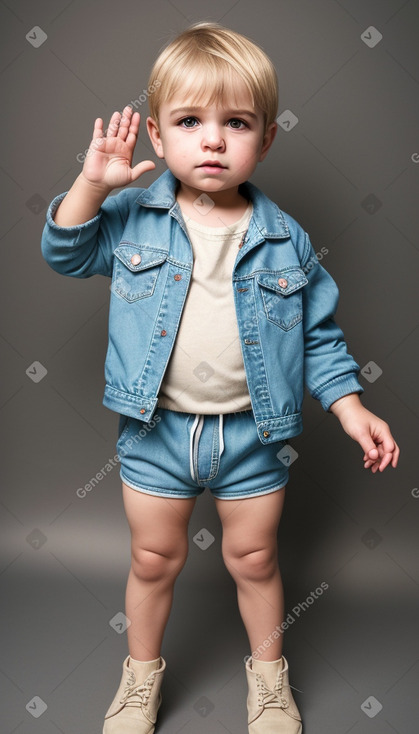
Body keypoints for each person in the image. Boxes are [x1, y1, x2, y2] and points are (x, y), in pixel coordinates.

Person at [40, 20, 400, 734]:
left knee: (255, 559)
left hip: (252, 436)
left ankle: (268, 683)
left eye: (234, 123)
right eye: (189, 121)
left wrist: (351, 408)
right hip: (155, 432)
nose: (211, 140)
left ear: (264, 139)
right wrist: (89, 183)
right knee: (151, 559)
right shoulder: (132, 218)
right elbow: (65, 253)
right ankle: (139, 680)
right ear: (154, 134)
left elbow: (317, 336)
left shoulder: (283, 237)